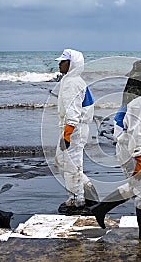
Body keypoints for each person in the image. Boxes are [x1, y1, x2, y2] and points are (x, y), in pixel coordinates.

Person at [91, 59, 141, 241]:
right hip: (133, 148)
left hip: (129, 147)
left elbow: (133, 128)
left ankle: (101, 208)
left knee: (136, 187)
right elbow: (136, 131)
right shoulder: (140, 101)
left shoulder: (134, 96)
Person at [54, 49, 99, 215]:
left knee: (71, 164)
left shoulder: (72, 83)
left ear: (71, 64)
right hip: (74, 128)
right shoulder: (71, 80)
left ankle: (78, 200)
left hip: (74, 129)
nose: (59, 64)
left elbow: (73, 111)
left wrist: (67, 133)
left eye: (62, 61)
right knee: (62, 161)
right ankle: (88, 192)